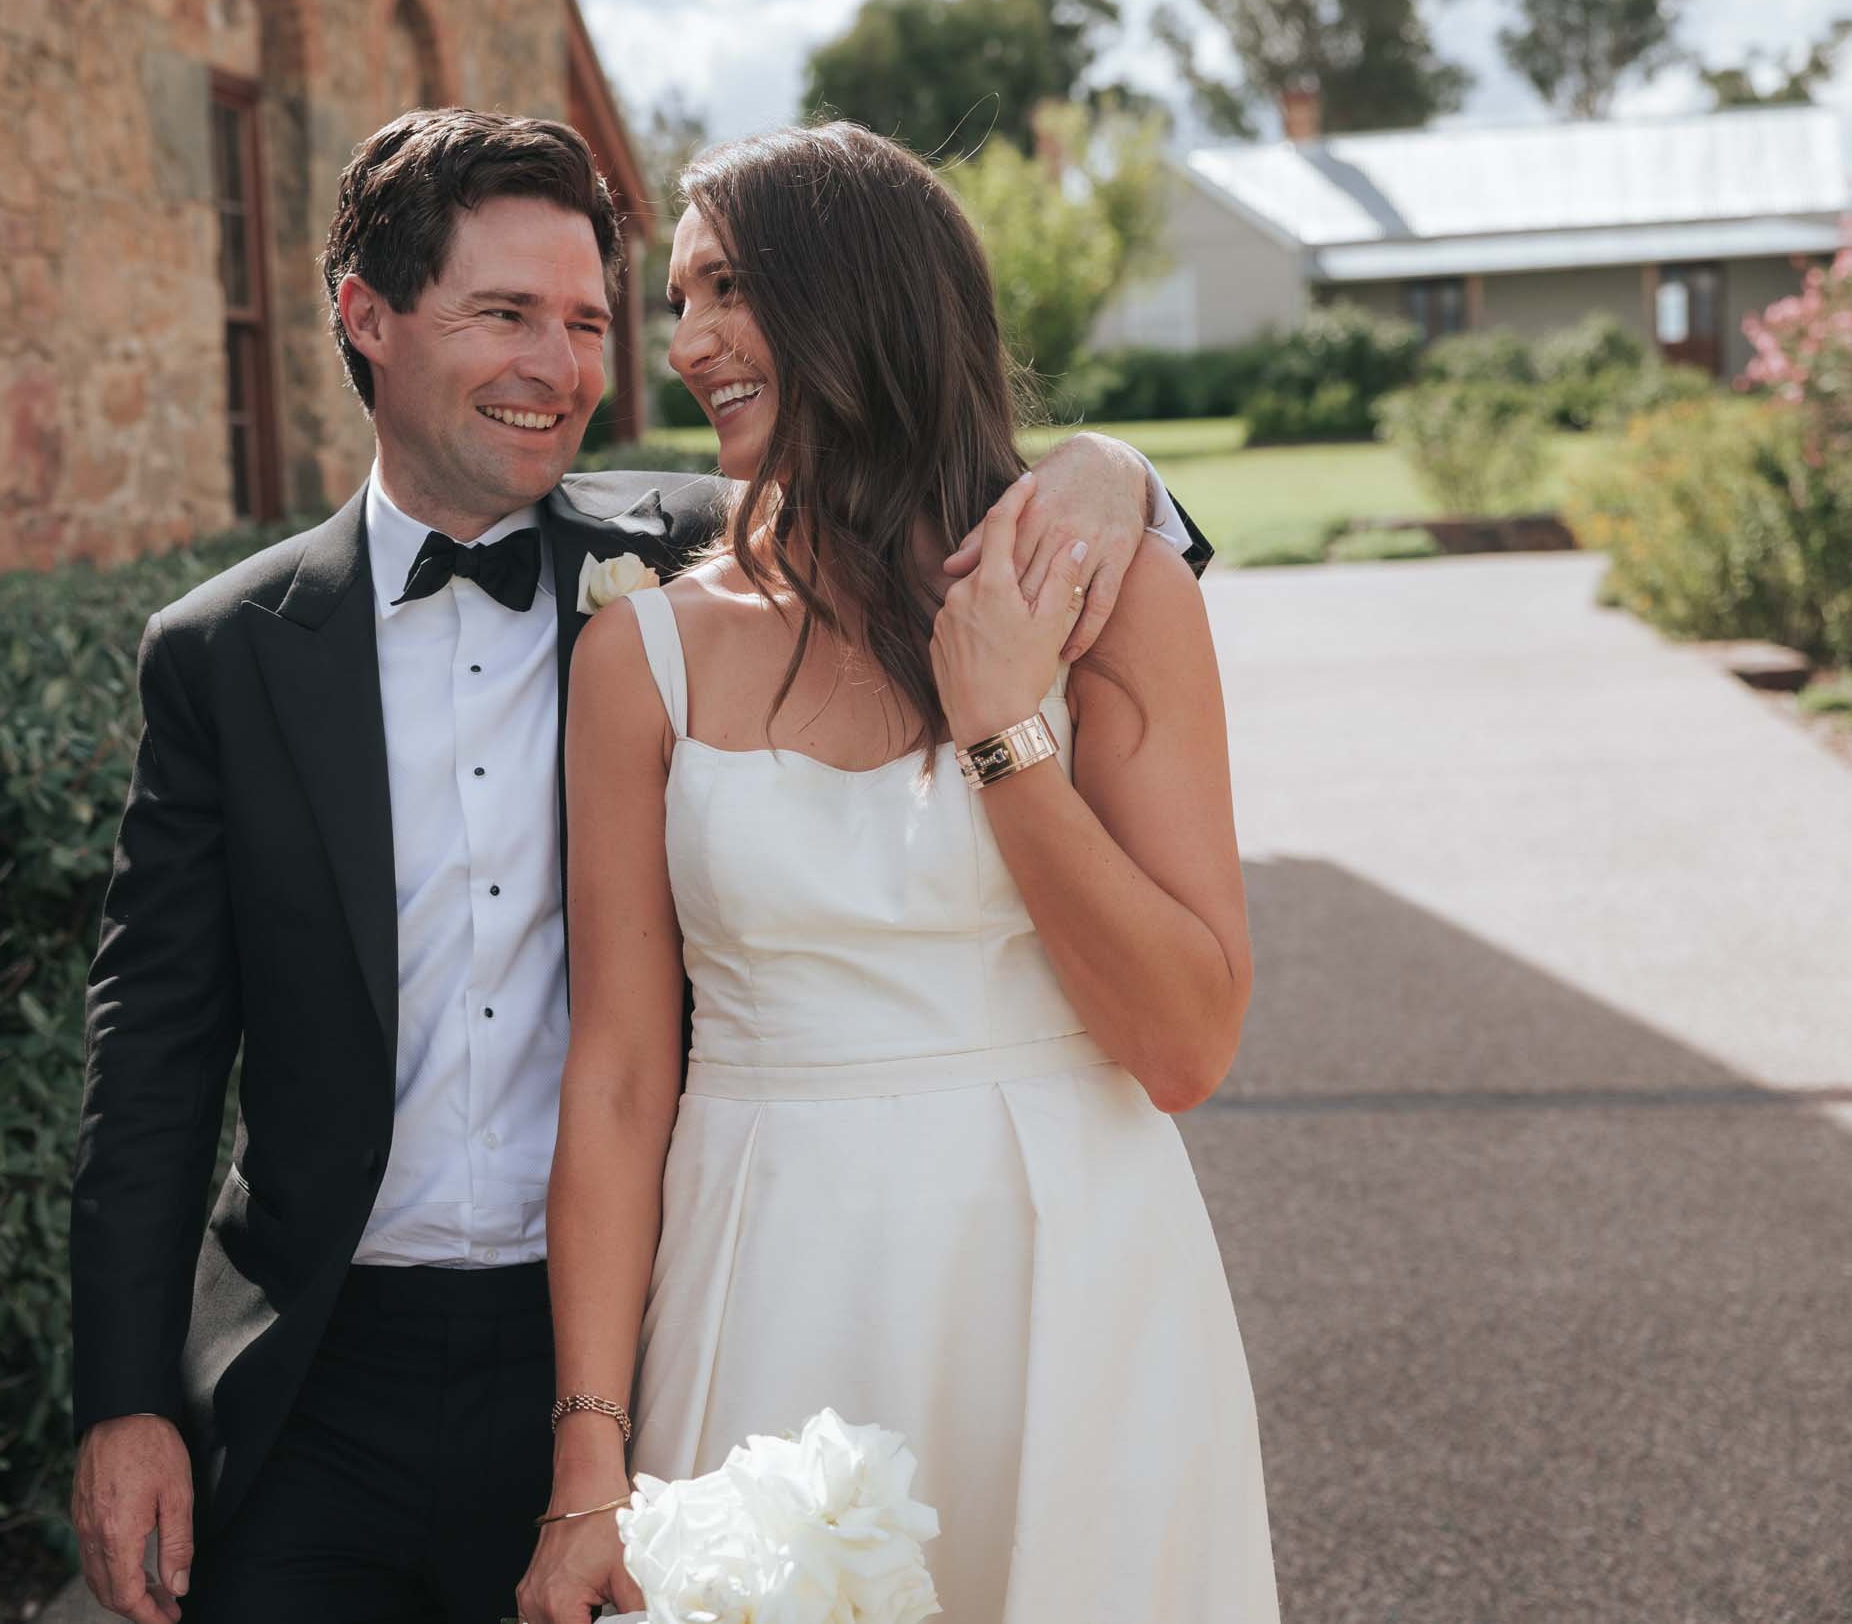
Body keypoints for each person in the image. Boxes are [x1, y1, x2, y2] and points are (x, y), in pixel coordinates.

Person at [66, 107, 1211, 1624]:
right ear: (367, 317)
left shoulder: (674, 552)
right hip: (330, 1360)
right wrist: (124, 1394)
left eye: (596, 320)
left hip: (645, 1316)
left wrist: (1120, 473)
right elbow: (149, 1046)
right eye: (507, 315)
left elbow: (938, 488)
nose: (581, 360)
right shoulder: (229, 656)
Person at [519, 121, 1277, 1624]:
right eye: (675, 302)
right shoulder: (644, 655)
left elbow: (1188, 1042)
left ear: (858, 294)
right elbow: (613, 1078)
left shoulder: (1105, 605)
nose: (687, 344)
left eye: (727, 288)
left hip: (1070, 1276)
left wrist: (1003, 731)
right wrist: (587, 1468)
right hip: (765, 1272)